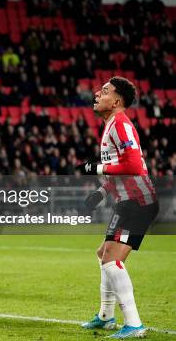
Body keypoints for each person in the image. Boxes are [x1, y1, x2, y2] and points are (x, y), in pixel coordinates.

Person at [77, 77, 158, 339]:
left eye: (105, 91)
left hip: (137, 202)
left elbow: (134, 165)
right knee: (104, 254)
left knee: (112, 260)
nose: (97, 94)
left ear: (117, 101)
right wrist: (100, 194)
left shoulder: (120, 124)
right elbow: (122, 171)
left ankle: (134, 324)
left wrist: (95, 168)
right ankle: (106, 316)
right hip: (129, 201)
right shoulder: (112, 124)